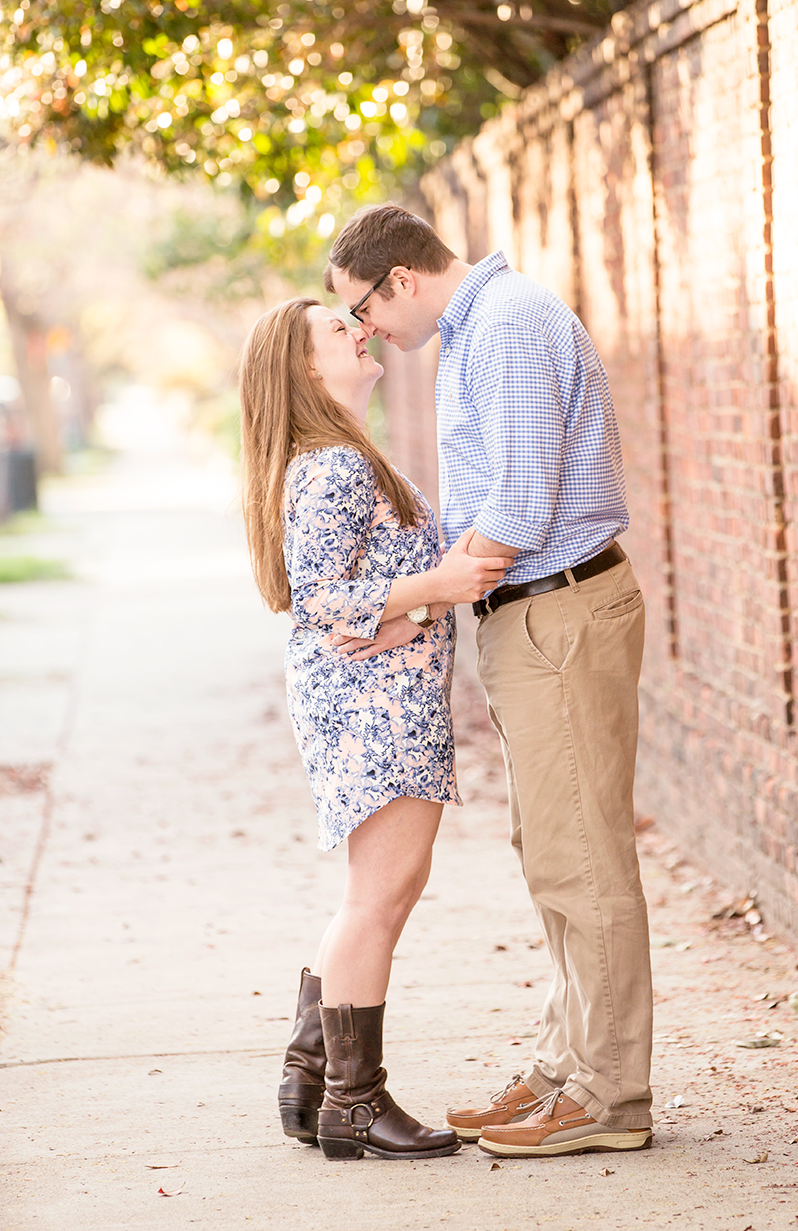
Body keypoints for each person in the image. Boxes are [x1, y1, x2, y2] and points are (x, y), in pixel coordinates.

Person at [323, 205, 653, 1159]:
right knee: (552, 848)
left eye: (366, 308)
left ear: (400, 280)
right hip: (531, 614)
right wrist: (429, 602)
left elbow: (519, 498)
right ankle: (566, 1064)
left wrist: (414, 605)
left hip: (559, 609)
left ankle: (609, 1092)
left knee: (582, 855)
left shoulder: (505, 322)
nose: (369, 331)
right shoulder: (478, 328)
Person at [238, 296, 511, 1161]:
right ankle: (354, 1104)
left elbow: (343, 596)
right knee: (376, 904)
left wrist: (414, 604)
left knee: (375, 900)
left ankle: (311, 1077)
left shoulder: (342, 457)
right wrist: (437, 586)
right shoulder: (332, 466)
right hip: (374, 709)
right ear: (306, 370)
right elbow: (321, 601)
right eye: (334, 329)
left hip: (380, 696)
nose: (358, 330)